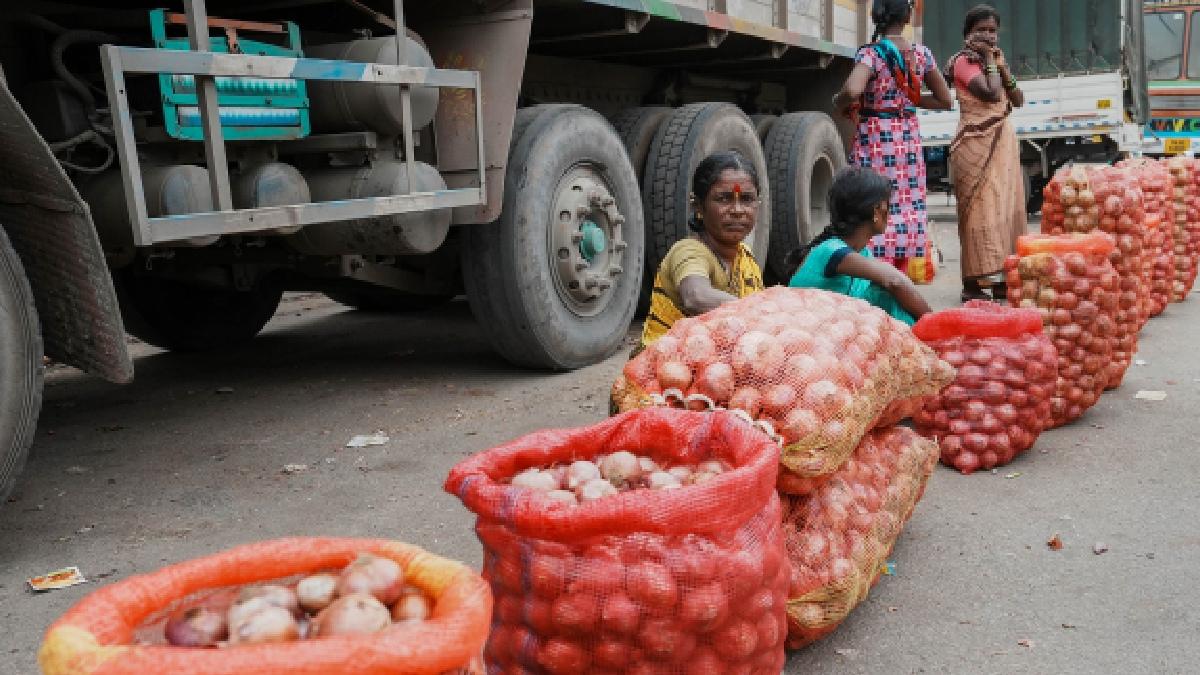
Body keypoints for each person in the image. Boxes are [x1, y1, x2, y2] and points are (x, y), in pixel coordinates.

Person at [833, 0, 952, 285]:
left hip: (876, 138)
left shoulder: (871, 54)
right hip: (907, 140)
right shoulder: (922, 55)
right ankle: (899, 275)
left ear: (876, 16)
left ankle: (873, 271)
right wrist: (910, 100)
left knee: (872, 200)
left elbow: (852, 89)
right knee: (905, 205)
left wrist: (838, 102)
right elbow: (945, 100)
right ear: (908, 15)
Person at [639, 151, 765, 349]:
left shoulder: (745, 257)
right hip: (668, 367)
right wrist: (762, 312)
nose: (738, 210)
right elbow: (696, 296)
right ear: (698, 205)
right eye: (724, 199)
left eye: (747, 199)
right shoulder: (689, 251)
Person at [945, 4, 1027, 302]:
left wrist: (1003, 67)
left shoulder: (995, 62)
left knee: (1003, 208)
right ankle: (972, 283)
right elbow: (991, 93)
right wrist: (993, 62)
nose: (988, 36)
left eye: (993, 30)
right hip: (974, 146)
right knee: (977, 214)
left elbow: (1017, 99)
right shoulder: (963, 63)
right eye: (981, 30)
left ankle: (999, 274)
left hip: (1002, 145)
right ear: (968, 34)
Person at [786, 166, 932, 325]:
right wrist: (934, 322)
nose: (889, 213)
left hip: (826, 327)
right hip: (804, 331)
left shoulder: (862, 253)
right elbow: (895, 281)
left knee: (881, 296)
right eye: (888, 205)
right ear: (877, 211)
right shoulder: (831, 250)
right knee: (887, 296)